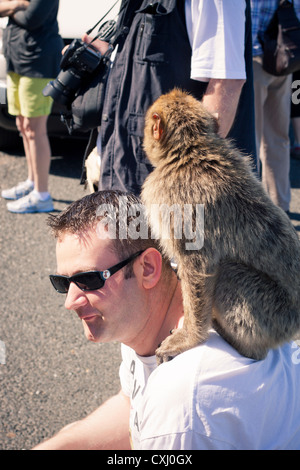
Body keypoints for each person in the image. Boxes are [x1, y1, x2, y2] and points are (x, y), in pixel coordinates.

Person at [34, 190, 300, 450]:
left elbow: (167, 418)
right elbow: (132, 407)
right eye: (62, 282)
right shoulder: (146, 318)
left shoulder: (183, 400)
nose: (70, 302)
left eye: (88, 279)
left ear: (148, 268)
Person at [81, 0, 257, 195]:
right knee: (121, 224)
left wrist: (185, 190)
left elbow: (225, 83)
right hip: (122, 172)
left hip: (171, 192)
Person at [0, 0, 64, 213]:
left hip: (37, 62)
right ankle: (31, 181)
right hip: (16, 58)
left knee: (34, 130)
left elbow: (32, 17)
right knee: (22, 125)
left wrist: (8, 7)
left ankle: (42, 195)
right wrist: (15, 5)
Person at [251, 0, 300, 213]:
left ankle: (250, 210)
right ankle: (281, 206)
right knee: (278, 138)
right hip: (285, 59)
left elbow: (251, 19)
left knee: (250, 138)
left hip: (256, 59)